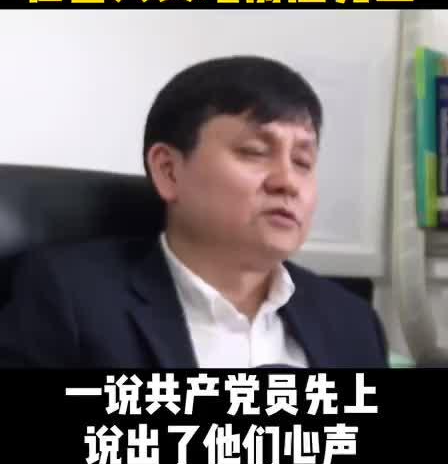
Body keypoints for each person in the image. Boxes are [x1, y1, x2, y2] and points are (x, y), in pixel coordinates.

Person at [0, 55, 388, 368]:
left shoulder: (351, 322)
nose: (288, 182)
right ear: (169, 171)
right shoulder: (70, 297)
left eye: (303, 162)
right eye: (254, 151)